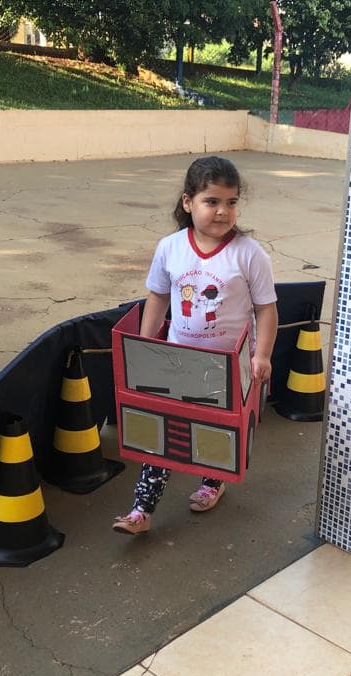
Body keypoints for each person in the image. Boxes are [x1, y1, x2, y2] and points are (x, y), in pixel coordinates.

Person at [112, 156, 278, 535]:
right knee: (161, 431)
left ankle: (212, 483)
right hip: (176, 361)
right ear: (188, 202)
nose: (222, 211)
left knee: (215, 429)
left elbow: (266, 309)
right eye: (212, 201)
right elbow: (157, 297)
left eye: (231, 202)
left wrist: (262, 354)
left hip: (225, 366)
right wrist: (144, 346)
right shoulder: (170, 247)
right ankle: (141, 510)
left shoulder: (250, 253)